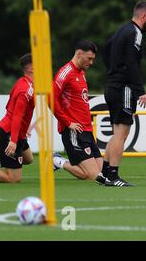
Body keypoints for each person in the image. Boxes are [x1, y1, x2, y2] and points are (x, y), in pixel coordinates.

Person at [102, 0, 146, 186]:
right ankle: (113, 176)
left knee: (116, 132)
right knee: (122, 133)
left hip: (111, 86)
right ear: (143, 16)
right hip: (123, 88)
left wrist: (112, 71)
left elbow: (106, 50)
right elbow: (132, 63)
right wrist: (140, 91)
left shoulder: (121, 30)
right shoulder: (135, 32)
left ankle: (104, 172)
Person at [51, 40, 107, 185]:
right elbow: (50, 98)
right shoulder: (65, 73)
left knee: (99, 172)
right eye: (89, 58)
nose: (92, 62)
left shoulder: (81, 72)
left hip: (87, 129)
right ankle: (57, 161)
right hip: (74, 131)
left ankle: (59, 161)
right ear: (79, 54)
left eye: (93, 59)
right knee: (92, 176)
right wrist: (68, 123)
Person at [0, 54, 35, 183]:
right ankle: (6, 161)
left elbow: (10, 107)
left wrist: (24, 127)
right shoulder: (26, 89)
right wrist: (13, 140)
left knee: (28, 159)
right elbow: (17, 116)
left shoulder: (25, 82)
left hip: (18, 133)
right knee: (13, 179)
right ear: (32, 69)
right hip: (9, 133)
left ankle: (2, 161)